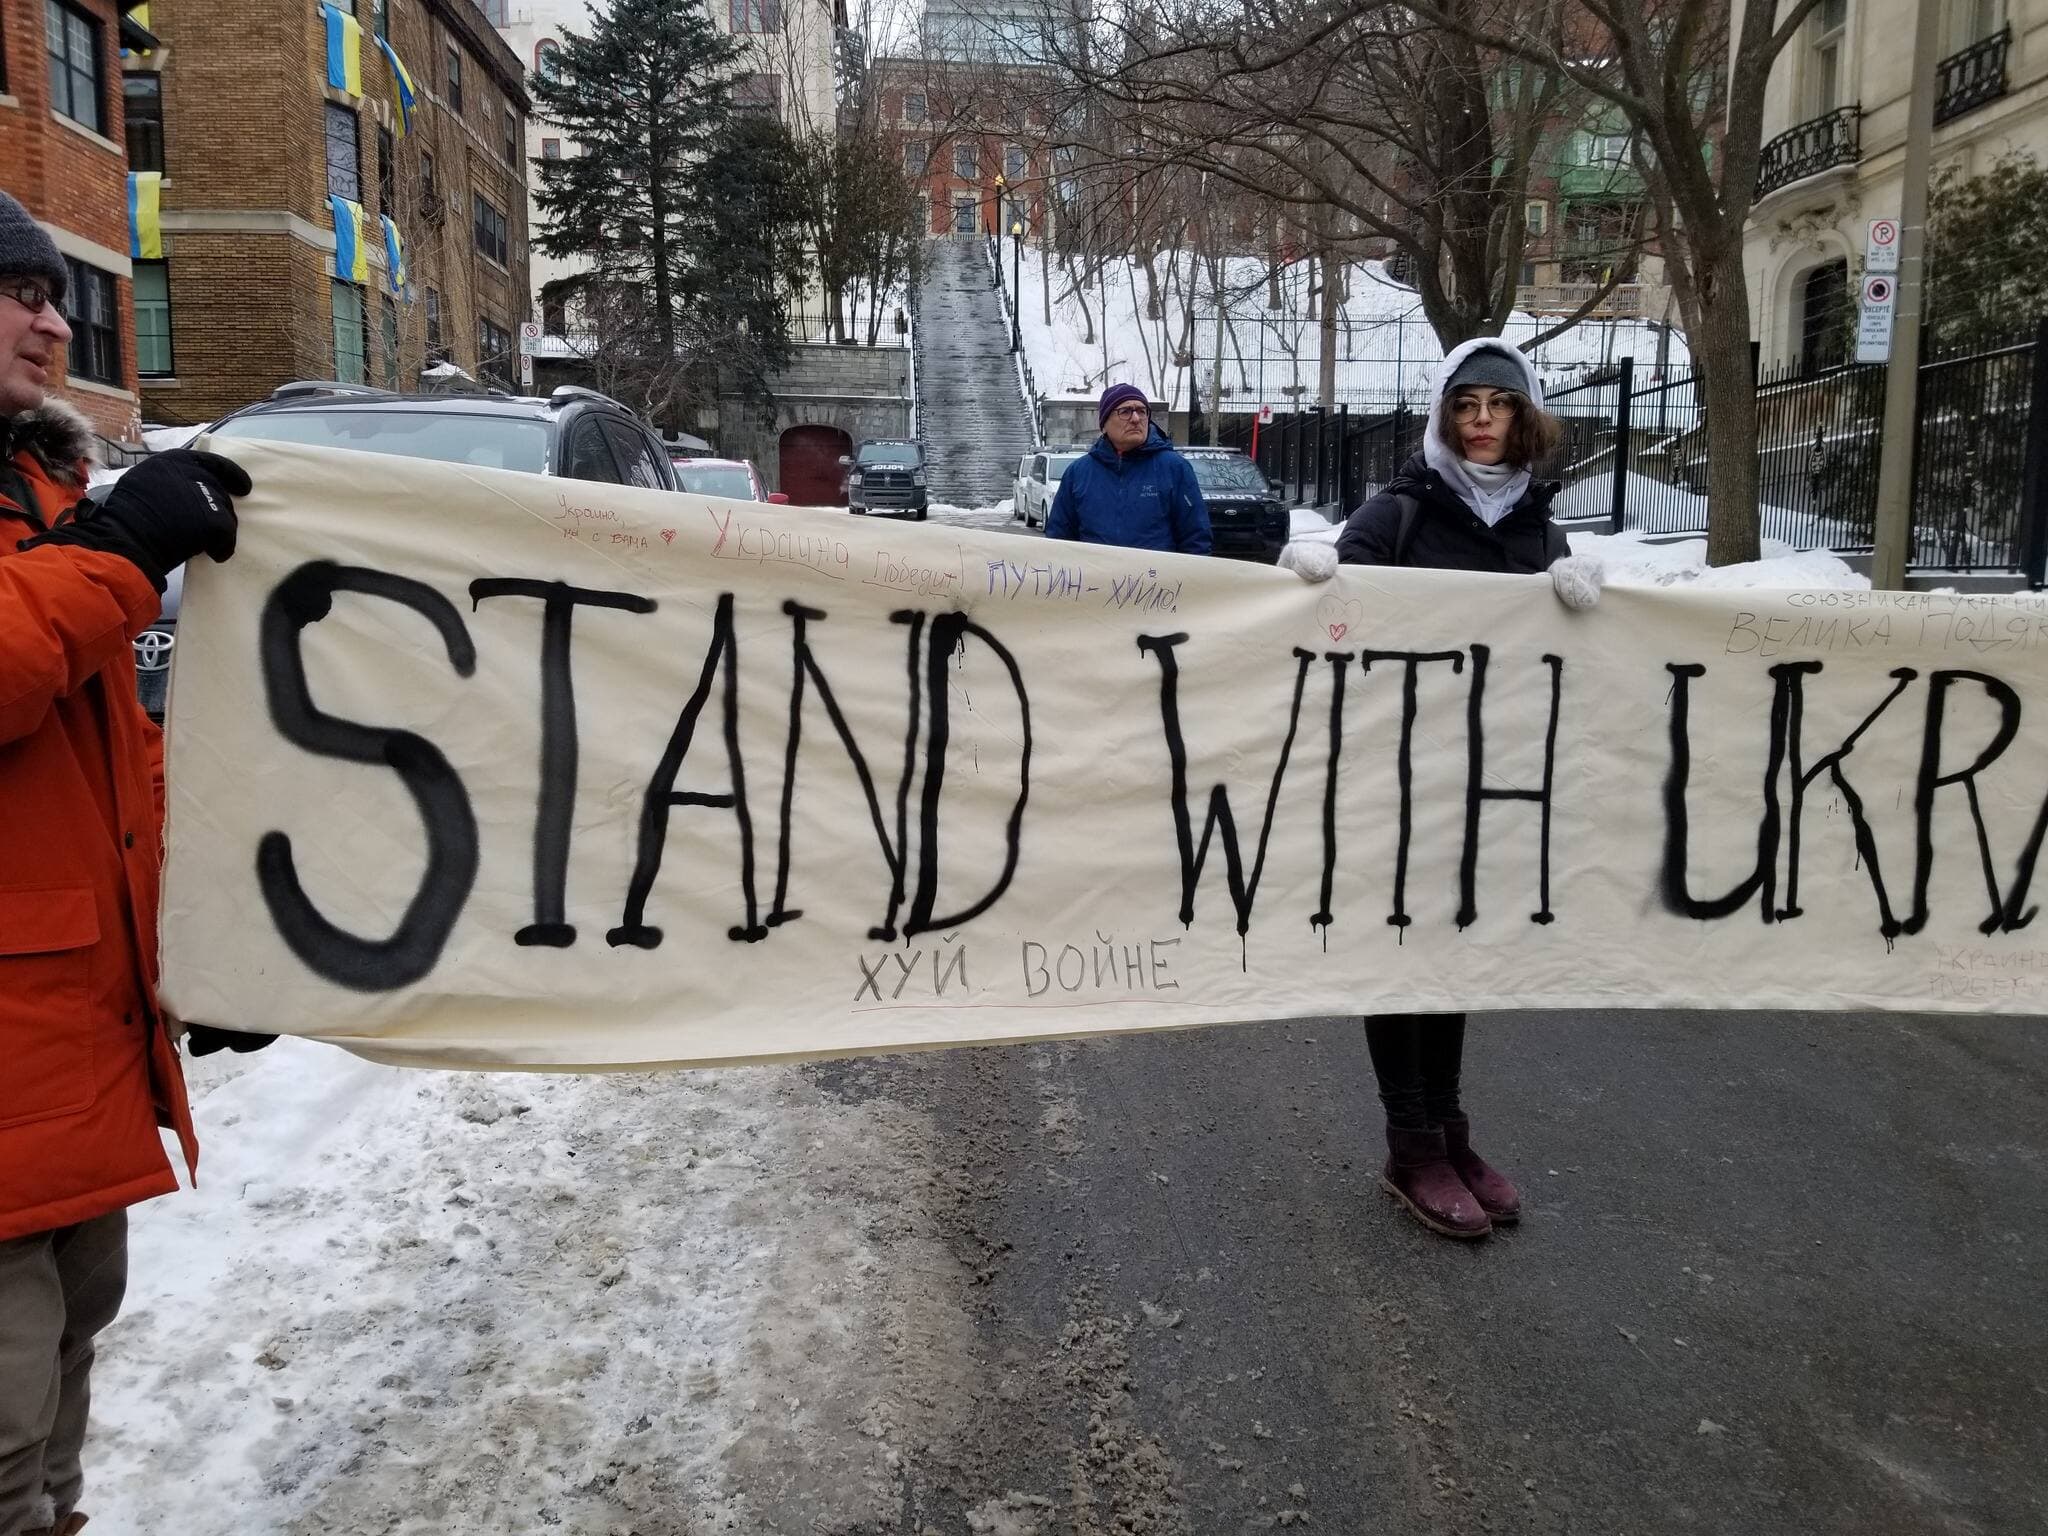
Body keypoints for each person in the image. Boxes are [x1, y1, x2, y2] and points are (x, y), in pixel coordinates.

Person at [0, 188, 262, 1536]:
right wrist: (113, 551)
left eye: (58, 290)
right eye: (21, 289)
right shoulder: (71, 531)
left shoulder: (40, 498)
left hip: (60, 1050)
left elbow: (119, 775)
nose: (58, 319)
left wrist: (200, 944)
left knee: (51, 1407)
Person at [1280, 337, 1603, 1240]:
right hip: (1398, 770)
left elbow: (1571, 651)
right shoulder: (1402, 512)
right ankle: (1410, 1145)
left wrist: (1585, 597)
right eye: (1467, 407)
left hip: (1492, 779)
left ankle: (1452, 1133)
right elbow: (1335, 606)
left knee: (1455, 952)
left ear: (1523, 415)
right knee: (1403, 949)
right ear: (1444, 416)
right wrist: (1313, 577)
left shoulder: (1539, 526)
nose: (1484, 424)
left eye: (1499, 407)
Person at [1045, 383, 1212, 555]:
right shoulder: (1078, 473)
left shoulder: (1175, 469)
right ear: (1104, 424)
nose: (1135, 418)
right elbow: (1058, 539)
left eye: (1141, 411)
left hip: (1157, 580)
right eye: (1125, 411)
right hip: (1094, 580)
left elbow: (1196, 539)